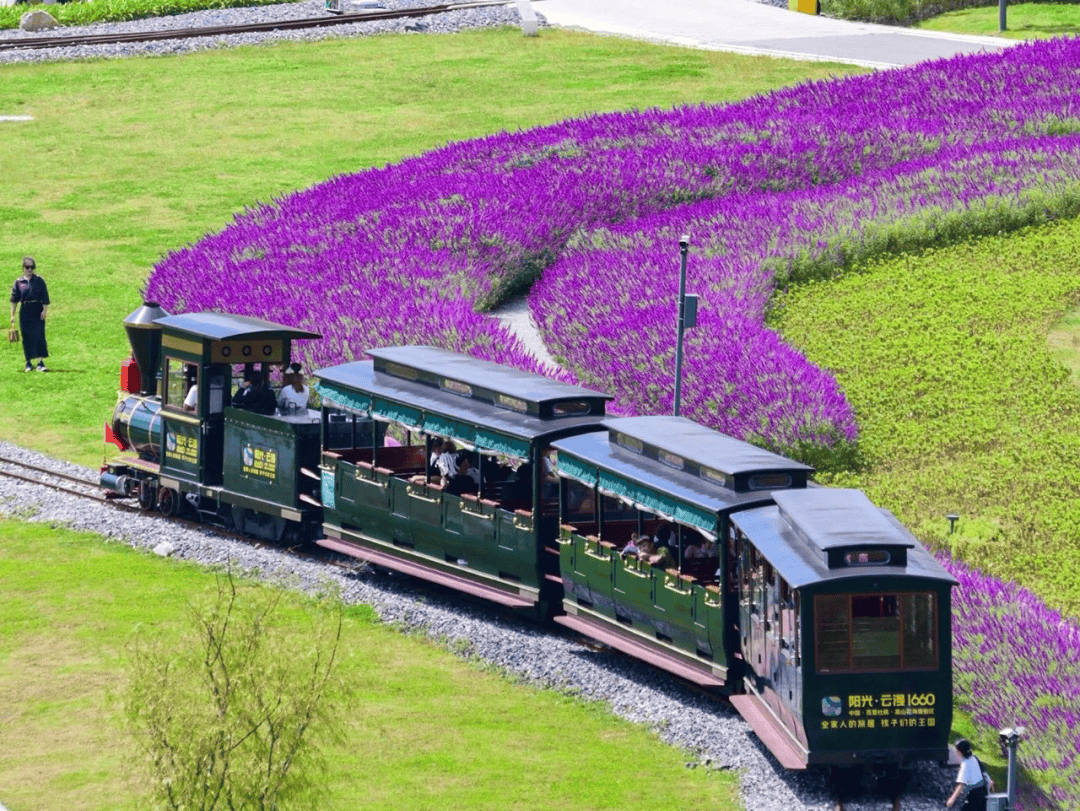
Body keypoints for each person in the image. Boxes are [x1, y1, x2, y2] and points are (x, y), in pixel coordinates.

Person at [10, 256, 50, 372]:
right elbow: (14, 300)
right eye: (27, 267)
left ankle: (40, 363)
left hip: (37, 309)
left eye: (32, 267)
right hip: (25, 310)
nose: (30, 270)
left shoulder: (39, 281)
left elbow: (45, 297)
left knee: (39, 335)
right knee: (27, 337)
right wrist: (12, 316)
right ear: (23, 268)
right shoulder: (19, 282)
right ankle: (28, 362)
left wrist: (44, 311)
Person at [946, 739, 992, 810]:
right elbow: (984, 772)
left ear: (960, 751)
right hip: (983, 793)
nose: (954, 750)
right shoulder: (974, 758)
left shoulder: (966, 764)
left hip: (974, 795)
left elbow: (961, 785)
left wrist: (952, 799)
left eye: (956, 749)